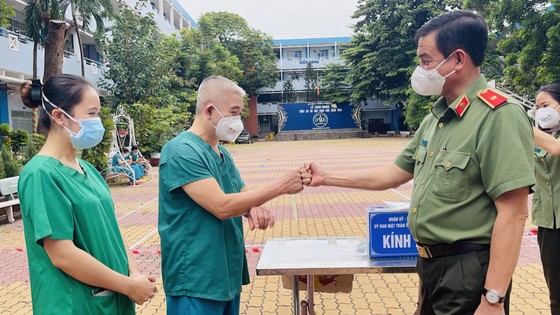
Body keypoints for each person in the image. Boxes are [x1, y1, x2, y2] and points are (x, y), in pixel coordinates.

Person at [302, 10, 534, 314]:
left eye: (426, 61)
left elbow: (514, 213)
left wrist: (493, 298)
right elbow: (393, 173)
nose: (420, 69)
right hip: (429, 266)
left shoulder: (498, 116)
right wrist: (328, 177)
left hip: (469, 270)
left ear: (458, 60)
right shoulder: (436, 118)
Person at [158, 75, 305, 315]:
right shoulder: (181, 151)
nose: (238, 120)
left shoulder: (222, 154)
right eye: (234, 112)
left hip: (226, 274)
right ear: (209, 111)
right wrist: (281, 186)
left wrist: (254, 207)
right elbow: (222, 206)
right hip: (195, 279)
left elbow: (242, 194)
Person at [17, 74, 157, 314]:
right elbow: (63, 254)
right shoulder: (40, 174)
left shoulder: (88, 170)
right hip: (76, 305)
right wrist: (127, 285)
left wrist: (134, 275)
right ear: (59, 116)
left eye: (98, 114)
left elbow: (111, 229)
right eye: (91, 114)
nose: (98, 122)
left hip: (114, 298)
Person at [531, 83, 560, 315]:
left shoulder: (543, 139)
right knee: (556, 291)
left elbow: (555, 148)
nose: (540, 111)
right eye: (536, 107)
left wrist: (523, 127)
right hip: (547, 224)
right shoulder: (539, 138)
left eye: (545, 105)